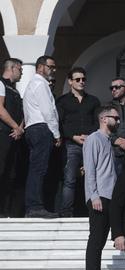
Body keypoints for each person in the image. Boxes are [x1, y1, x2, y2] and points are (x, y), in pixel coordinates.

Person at [83, 105, 119, 270]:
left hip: (109, 197)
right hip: (99, 197)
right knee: (96, 239)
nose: (118, 120)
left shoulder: (108, 141)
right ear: (104, 119)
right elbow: (90, 169)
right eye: (115, 117)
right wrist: (94, 195)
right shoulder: (93, 139)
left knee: (101, 240)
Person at [57, 67, 101, 217]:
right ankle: (66, 213)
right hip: (71, 144)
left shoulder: (93, 101)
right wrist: (73, 137)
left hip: (90, 144)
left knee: (92, 179)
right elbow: (60, 123)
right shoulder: (63, 101)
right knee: (69, 179)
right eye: (78, 79)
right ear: (70, 81)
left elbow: (98, 122)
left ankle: (91, 211)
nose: (81, 82)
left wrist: (90, 137)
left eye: (83, 79)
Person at [23, 55, 59, 218]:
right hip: (41, 128)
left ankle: (34, 205)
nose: (54, 70)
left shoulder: (34, 84)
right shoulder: (40, 84)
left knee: (36, 168)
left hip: (34, 129)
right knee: (38, 169)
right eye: (51, 66)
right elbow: (47, 111)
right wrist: (56, 134)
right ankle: (34, 206)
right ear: (40, 67)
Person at [0, 58, 25, 217]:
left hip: (15, 137)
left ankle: (6, 210)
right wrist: (16, 127)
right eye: (20, 69)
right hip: (3, 134)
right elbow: (0, 109)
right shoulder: (1, 84)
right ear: (13, 68)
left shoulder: (14, 90)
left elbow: (22, 113)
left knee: (11, 174)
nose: (22, 72)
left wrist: (20, 128)